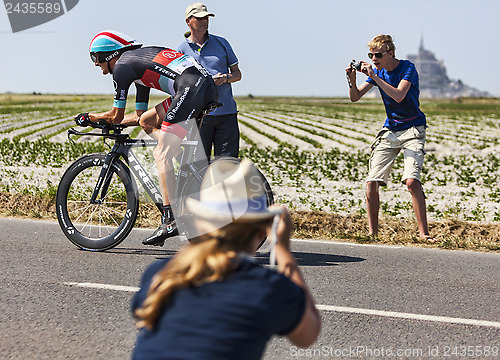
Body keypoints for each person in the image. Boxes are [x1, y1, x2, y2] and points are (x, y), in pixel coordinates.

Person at [131, 159, 321, 359]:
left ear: (199, 224)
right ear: (260, 234)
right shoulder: (266, 287)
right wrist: (282, 248)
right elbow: (308, 335)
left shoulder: (160, 274)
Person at [76, 30, 218, 246]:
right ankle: (186, 167)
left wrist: (92, 117)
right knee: (147, 121)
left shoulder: (122, 68)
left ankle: (169, 220)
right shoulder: (136, 68)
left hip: (191, 89)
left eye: (95, 57)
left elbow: (116, 115)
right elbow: (139, 117)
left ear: (108, 54)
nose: (95, 64)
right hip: (198, 87)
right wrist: (113, 121)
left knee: (161, 154)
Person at [345, 34, 436, 243]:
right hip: (391, 129)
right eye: (371, 55)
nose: (374, 59)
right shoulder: (377, 71)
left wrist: (375, 77)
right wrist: (352, 80)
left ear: (390, 53)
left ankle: (424, 234)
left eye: (378, 55)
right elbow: (355, 97)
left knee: (412, 181)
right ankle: (373, 234)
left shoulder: (407, 68)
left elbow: (399, 95)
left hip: (413, 128)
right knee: (372, 182)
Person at [177, 3, 242, 159]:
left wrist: (225, 78)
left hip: (227, 115)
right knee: (197, 165)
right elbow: (178, 84)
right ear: (188, 21)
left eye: (206, 17)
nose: (204, 21)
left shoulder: (222, 43)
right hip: (199, 117)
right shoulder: (180, 51)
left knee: (227, 166)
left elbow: (237, 74)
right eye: (199, 18)